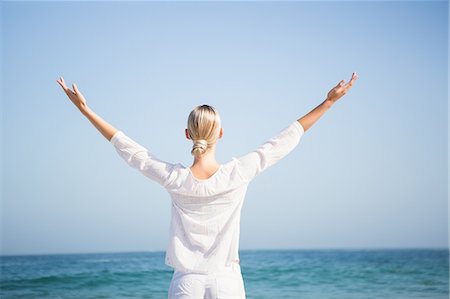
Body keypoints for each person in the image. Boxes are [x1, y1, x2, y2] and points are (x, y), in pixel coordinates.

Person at [56, 72, 358, 299]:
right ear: (221, 134)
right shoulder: (238, 173)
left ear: (187, 135)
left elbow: (130, 150)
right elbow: (286, 138)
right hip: (227, 280)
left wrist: (86, 110)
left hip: (186, 282)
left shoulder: (174, 178)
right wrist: (328, 102)